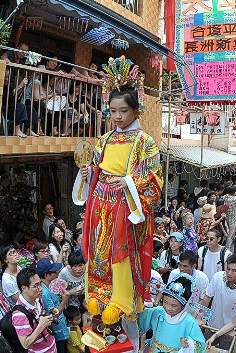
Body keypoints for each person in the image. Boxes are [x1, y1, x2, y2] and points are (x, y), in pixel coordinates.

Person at [72, 57, 163, 324]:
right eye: (113, 111)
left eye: (123, 111)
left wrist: (129, 183)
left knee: (119, 251)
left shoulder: (145, 142)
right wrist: (88, 174)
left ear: (136, 111)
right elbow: (97, 168)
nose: (117, 117)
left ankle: (121, 299)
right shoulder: (105, 138)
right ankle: (98, 293)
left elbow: (154, 180)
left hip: (125, 204)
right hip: (101, 202)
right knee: (99, 248)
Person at [137, 273, 206, 353]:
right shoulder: (158, 312)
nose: (168, 308)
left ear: (182, 306)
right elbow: (139, 318)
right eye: (165, 302)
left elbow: (200, 346)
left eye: (174, 305)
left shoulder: (189, 322)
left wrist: (188, 345)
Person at [199, 254, 236, 329]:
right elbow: (207, 298)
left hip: (230, 328)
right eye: (228, 269)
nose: (229, 273)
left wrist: (234, 327)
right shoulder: (218, 277)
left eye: (234, 271)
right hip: (212, 324)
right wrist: (199, 317)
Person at [12, 267, 57, 352]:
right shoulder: (19, 315)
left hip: (51, 347)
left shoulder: (37, 299)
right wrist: (41, 326)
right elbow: (25, 344)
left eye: (40, 283)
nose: (40, 289)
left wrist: (51, 312)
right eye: (35, 286)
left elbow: (41, 316)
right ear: (24, 288)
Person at [36, 259, 70, 353]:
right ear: (46, 275)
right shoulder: (45, 294)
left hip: (62, 325)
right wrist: (64, 301)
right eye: (54, 272)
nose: (57, 273)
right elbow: (54, 315)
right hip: (57, 330)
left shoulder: (50, 286)